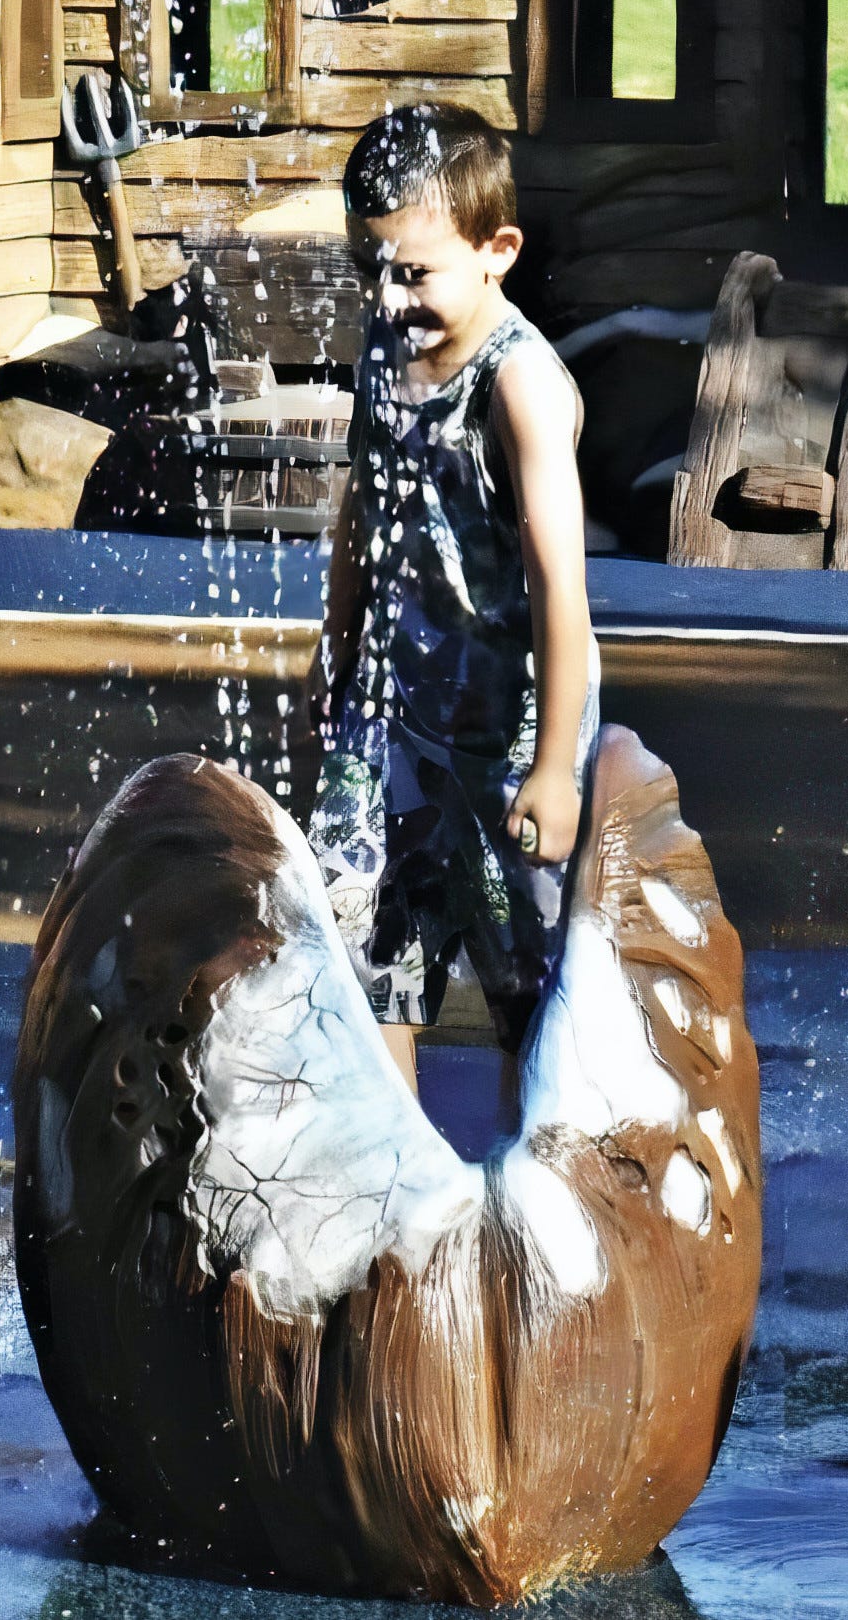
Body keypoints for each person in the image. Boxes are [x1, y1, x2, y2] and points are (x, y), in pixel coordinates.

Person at [311, 104, 600, 1118]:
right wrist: (338, 648)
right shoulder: (383, 348)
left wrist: (558, 765)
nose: (389, 297)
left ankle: (537, 1171)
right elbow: (361, 501)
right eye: (372, 268)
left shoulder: (517, 384)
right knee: (377, 943)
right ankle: (401, 1177)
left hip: (509, 728)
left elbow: (562, 584)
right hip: (395, 709)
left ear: (498, 253)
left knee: (525, 961)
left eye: (415, 272)